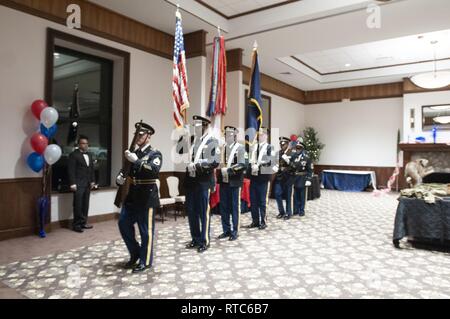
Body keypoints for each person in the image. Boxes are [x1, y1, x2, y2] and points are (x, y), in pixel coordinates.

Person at [116, 122, 162, 273]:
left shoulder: (155, 154)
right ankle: (135, 253)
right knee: (123, 223)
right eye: (136, 134)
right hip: (133, 195)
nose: (137, 137)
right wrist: (120, 177)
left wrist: (136, 160)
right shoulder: (133, 152)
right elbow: (126, 170)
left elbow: (153, 171)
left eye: (141, 135)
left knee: (145, 231)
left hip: (147, 196)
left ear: (148, 136)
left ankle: (145, 260)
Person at [183, 115, 220, 253]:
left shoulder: (212, 141)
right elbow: (180, 151)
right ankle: (195, 238)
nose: (196, 129)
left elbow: (214, 161)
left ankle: (204, 240)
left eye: (198, 126)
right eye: (195, 126)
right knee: (191, 212)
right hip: (191, 181)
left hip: (203, 182)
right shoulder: (192, 140)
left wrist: (198, 166)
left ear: (205, 126)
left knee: (203, 212)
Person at [217, 126, 247, 241]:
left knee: (235, 207)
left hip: (234, 181)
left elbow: (244, 164)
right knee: (224, 207)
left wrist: (229, 170)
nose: (227, 136)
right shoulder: (222, 148)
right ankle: (226, 230)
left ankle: (235, 230)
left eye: (230, 134)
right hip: (224, 181)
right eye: (226, 134)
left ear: (234, 135)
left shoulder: (240, 148)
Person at [247, 127, 276, 230]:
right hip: (254, 177)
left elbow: (269, 161)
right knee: (253, 200)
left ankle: (263, 221)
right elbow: (250, 160)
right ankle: (255, 221)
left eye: (263, 134)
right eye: (259, 134)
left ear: (267, 136)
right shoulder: (254, 147)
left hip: (263, 178)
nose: (260, 136)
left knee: (263, 201)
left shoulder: (269, 148)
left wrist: (258, 166)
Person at [68, 135, 96, 233]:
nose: (85, 145)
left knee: (85, 204)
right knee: (78, 205)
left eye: (86, 143)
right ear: (79, 144)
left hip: (87, 183)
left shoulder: (90, 155)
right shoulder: (73, 155)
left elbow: (91, 169)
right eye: (83, 143)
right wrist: (72, 183)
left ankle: (83, 222)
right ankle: (76, 225)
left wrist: (92, 181)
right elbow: (71, 170)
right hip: (78, 184)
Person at [274, 137, 297, 220]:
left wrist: (288, 162)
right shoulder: (279, 153)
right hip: (279, 177)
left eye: (283, 144)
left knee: (288, 196)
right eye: (280, 144)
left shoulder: (292, 153)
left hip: (289, 177)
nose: (281, 146)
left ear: (287, 144)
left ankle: (288, 213)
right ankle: (281, 212)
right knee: (277, 194)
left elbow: (295, 167)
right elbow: (275, 163)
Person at [293, 139, 313, 216]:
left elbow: (310, 170)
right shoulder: (293, 156)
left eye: (299, 148)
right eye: (296, 148)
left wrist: (308, 179)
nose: (297, 150)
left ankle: (302, 210)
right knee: (295, 195)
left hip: (302, 178)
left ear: (302, 149)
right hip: (295, 178)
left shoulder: (307, 158)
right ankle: (296, 209)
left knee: (302, 196)